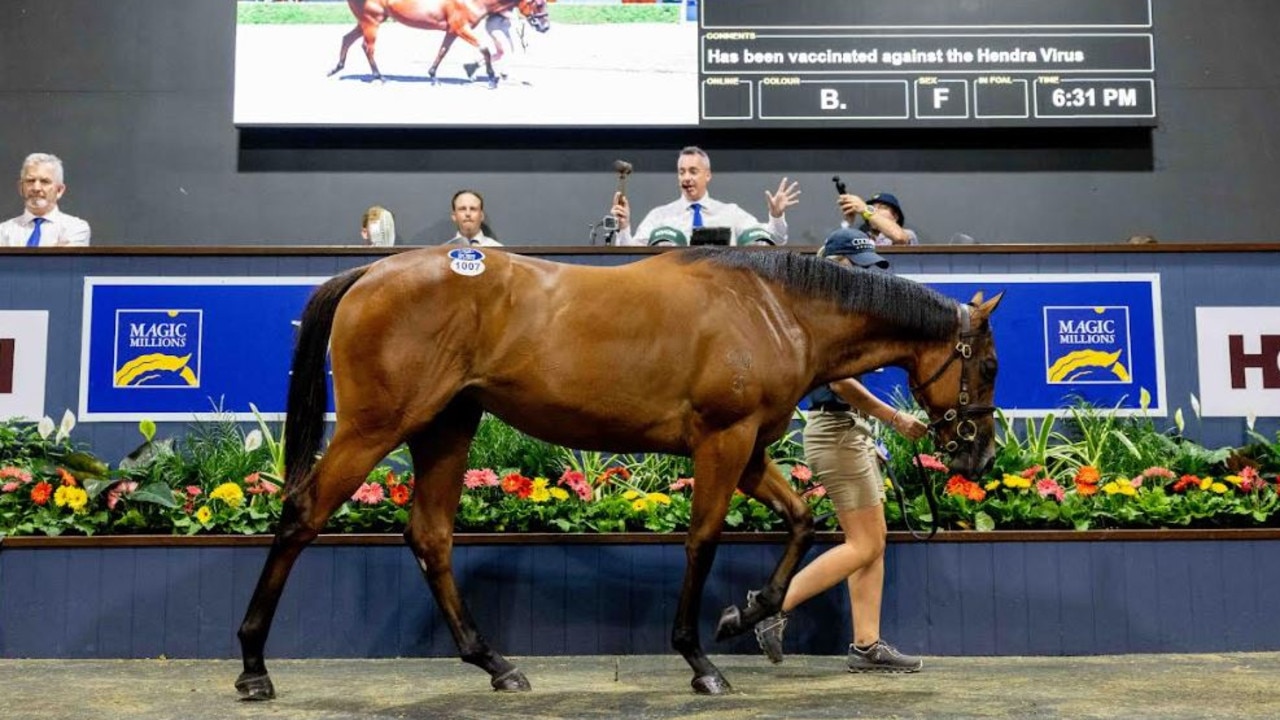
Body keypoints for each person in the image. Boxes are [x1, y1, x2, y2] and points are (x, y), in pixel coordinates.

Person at [751, 227, 928, 673]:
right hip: (836, 432)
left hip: (847, 433)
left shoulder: (835, 313)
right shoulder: (823, 315)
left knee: (874, 542)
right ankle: (771, 606)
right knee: (866, 543)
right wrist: (893, 418)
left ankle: (866, 644)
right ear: (837, 264)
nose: (867, 279)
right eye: (860, 268)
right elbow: (838, 382)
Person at [609, 146, 799, 246]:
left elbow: (775, 239)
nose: (686, 178)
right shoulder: (660, 216)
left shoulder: (730, 213)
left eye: (693, 171)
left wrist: (776, 216)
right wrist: (624, 227)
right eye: (681, 172)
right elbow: (631, 253)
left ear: (707, 175)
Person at [0, 153, 91, 247]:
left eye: (45, 181)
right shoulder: (3, 231)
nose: (36, 188)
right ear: (21, 188)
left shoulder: (75, 228)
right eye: (30, 181)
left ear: (59, 190)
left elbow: (66, 261)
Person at [837, 191, 916, 247]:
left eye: (882, 207)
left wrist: (865, 209)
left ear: (895, 217)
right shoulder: (860, 237)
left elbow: (900, 238)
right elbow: (835, 251)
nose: (875, 210)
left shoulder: (907, 234)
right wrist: (847, 222)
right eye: (872, 208)